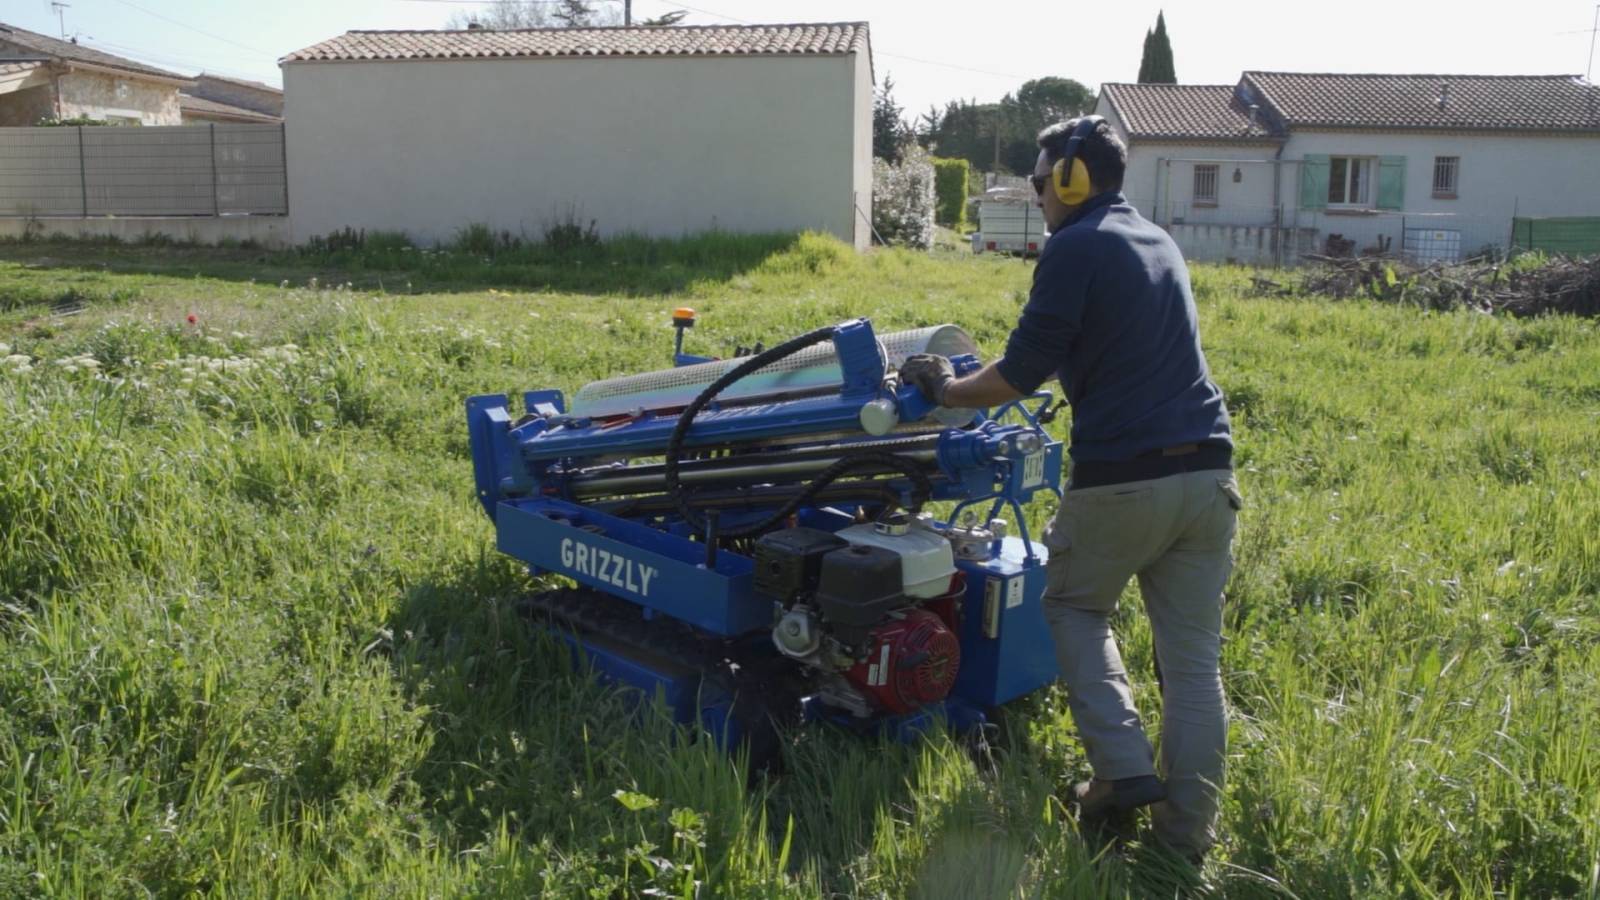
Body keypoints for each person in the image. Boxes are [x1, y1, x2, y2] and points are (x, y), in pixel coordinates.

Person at [899, 116, 1239, 862]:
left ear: (1071, 178)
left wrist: (944, 389)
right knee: (1192, 669)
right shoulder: (1156, 240)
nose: (1039, 194)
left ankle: (1120, 771)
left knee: (1074, 604)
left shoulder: (1074, 246)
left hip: (1125, 479)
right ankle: (1182, 846)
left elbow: (1019, 373)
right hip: (1210, 476)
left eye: (1041, 178)